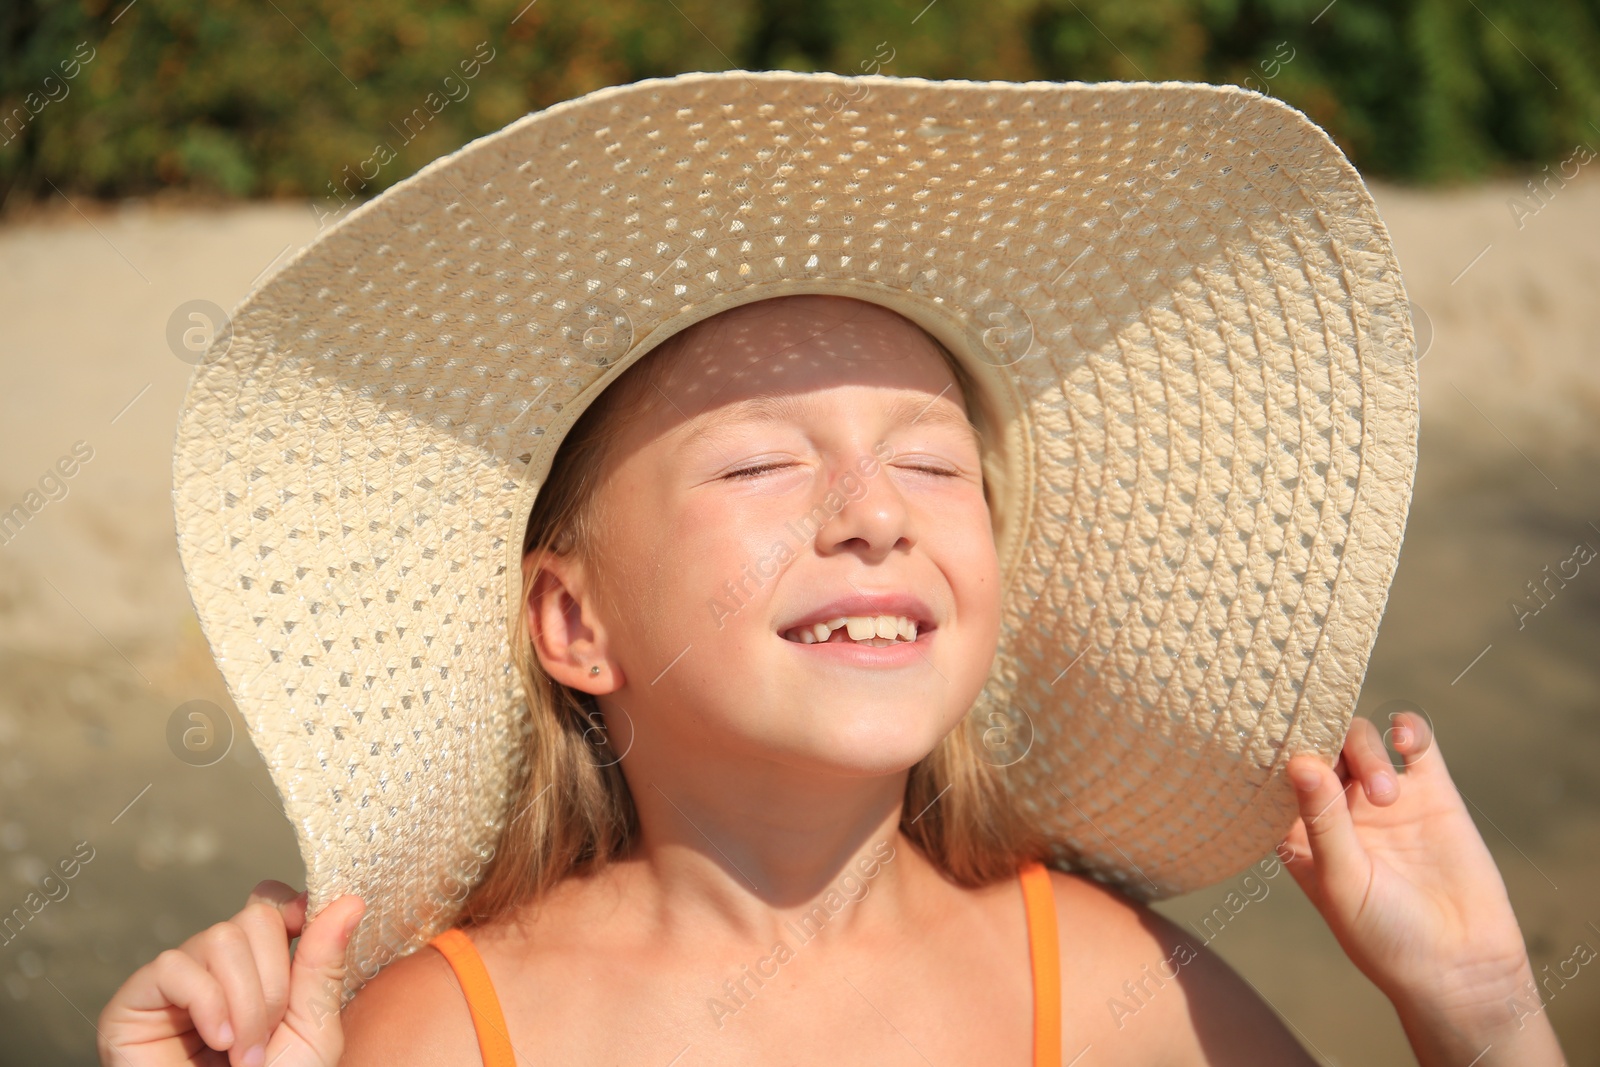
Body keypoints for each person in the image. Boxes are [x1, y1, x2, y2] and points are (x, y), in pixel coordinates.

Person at [98, 72, 1566, 1066]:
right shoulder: (448, 1029)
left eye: (935, 465)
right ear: (570, 617)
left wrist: (1484, 1021)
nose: (876, 514)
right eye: (759, 465)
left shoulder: (1107, 982)